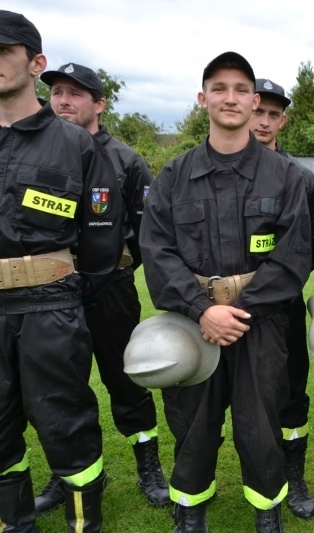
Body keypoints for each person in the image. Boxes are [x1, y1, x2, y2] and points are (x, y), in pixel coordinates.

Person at [139, 51, 311, 533]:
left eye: (240, 90)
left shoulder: (287, 177)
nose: (230, 97)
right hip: (194, 327)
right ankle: (190, 512)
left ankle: (267, 513)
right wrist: (202, 311)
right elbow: (157, 251)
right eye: (219, 88)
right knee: (192, 426)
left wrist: (236, 311)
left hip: (260, 325)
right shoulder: (173, 176)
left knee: (260, 428)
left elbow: (294, 256)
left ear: (255, 102)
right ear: (202, 99)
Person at [0, 10, 124, 532]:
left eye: (4, 52)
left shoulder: (75, 145)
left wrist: (72, 294)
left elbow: (101, 238)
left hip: (49, 306)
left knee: (65, 422)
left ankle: (83, 524)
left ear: (35, 63)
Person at [34, 61, 169, 514]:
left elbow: (149, 235)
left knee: (126, 380)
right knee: (58, 388)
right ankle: (65, 472)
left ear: (99, 104)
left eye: (75, 93)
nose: (63, 101)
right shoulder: (40, 152)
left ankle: (148, 465)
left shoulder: (126, 160)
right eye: (56, 93)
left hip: (111, 291)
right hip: (50, 295)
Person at [249, 76, 314, 520]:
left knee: (291, 391)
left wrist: (280, 279)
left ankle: (293, 478)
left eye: (273, 115)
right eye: (259, 111)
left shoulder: (301, 178)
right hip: (220, 306)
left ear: (283, 119)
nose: (264, 121)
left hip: (282, 305)